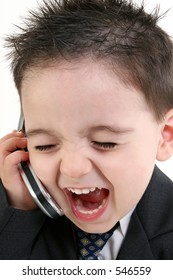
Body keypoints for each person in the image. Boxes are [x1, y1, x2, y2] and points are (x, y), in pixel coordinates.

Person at [0, 0, 173, 260]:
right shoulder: (15, 218)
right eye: (44, 145)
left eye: (104, 142)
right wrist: (21, 207)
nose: (72, 168)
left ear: (165, 136)